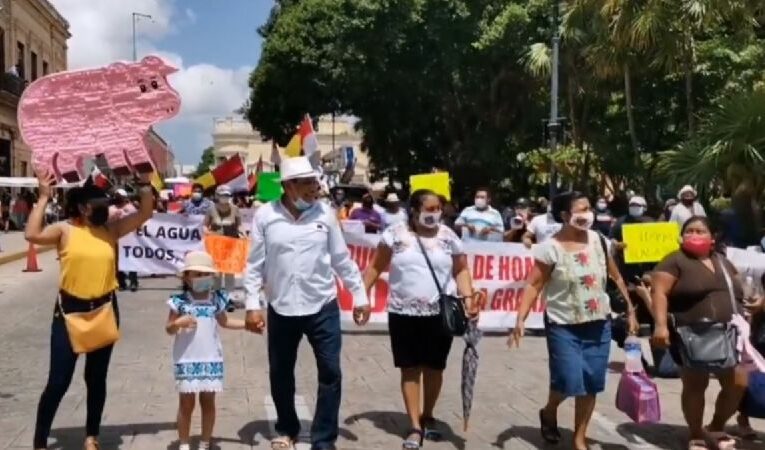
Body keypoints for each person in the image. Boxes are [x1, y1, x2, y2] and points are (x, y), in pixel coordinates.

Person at [243, 156, 371, 450]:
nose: (315, 188)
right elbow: (254, 265)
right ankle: (286, 427)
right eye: (308, 183)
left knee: (331, 372)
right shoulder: (265, 216)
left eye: (315, 182)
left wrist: (360, 296)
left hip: (322, 306)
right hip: (282, 307)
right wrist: (252, 305)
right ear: (288, 186)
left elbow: (341, 260)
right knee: (281, 372)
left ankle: (324, 439)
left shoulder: (325, 215)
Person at [26, 170, 154, 450]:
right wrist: (44, 197)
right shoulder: (65, 230)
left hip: (104, 310)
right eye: (97, 204)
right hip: (69, 314)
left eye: (104, 204)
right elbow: (32, 234)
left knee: (96, 379)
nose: (103, 208)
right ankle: (39, 440)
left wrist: (144, 184)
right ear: (82, 208)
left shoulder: (111, 230)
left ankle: (91, 436)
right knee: (58, 381)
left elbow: (145, 213)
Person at [510, 191, 637, 450]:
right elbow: (534, 285)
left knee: (590, 382)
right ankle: (549, 410)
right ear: (566, 215)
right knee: (568, 379)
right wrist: (520, 319)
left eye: (589, 208)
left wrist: (631, 310)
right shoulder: (550, 248)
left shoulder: (599, 240)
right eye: (581, 210)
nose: (587, 214)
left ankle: (579, 439)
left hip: (598, 323)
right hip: (562, 324)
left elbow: (616, 277)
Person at [362, 189, 483, 449]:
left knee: (434, 367)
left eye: (437, 208)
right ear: (413, 211)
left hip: (440, 314)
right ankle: (415, 425)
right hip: (403, 313)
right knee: (409, 368)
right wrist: (363, 297)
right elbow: (375, 266)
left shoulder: (449, 236)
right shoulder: (394, 235)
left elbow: (461, 270)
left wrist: (470, 299)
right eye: (428, 209)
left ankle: (428, 414)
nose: (434, 214)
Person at [651, 216, 749, 450]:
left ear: (712, 238)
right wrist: (660, 325)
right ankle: (695, 432)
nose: (694, 235)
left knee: (738, 383)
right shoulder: (674, 261)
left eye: (700, 231)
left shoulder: (724, 262)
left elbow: (737, 290)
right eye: (689, 231)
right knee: (696, 385)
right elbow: (659, 292)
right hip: (692, 334)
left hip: (729, 333)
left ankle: (716, 426)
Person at [165, 251, 245, 450]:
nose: (202, 279)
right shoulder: (179, 301)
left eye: (205, 274)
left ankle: (205, 442)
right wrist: (178, 323)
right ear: (186, 277)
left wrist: (248, 325)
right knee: (186, 403)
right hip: (187, 358)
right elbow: (168, 328)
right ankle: (184, 444)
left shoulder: (216, 299)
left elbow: (225, 322)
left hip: (211, 358)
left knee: (208, 403)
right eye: (197, 274)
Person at [205, 185, 242, 292]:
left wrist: (242, 232)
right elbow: (205, 225)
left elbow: (239, 225)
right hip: (216, 245)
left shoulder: (235, 209)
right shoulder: (211, 210)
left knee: (229, 272)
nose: (224, 197)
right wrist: (206, 231)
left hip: (231, 245)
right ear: (217, 195)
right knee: (217, 272)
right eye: (222, 195)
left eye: (227, 195)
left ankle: (229, 297)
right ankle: (216, 295)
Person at [109, 188, 139, 292]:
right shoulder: (111, 209)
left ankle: (133, 282)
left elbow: (137, 220)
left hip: (129, 238)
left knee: (131, 260)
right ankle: (121, 283)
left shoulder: (130, 208)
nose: (118, 198)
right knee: (117, 262)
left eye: (120, 196)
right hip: (116, 239)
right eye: (117, 196)